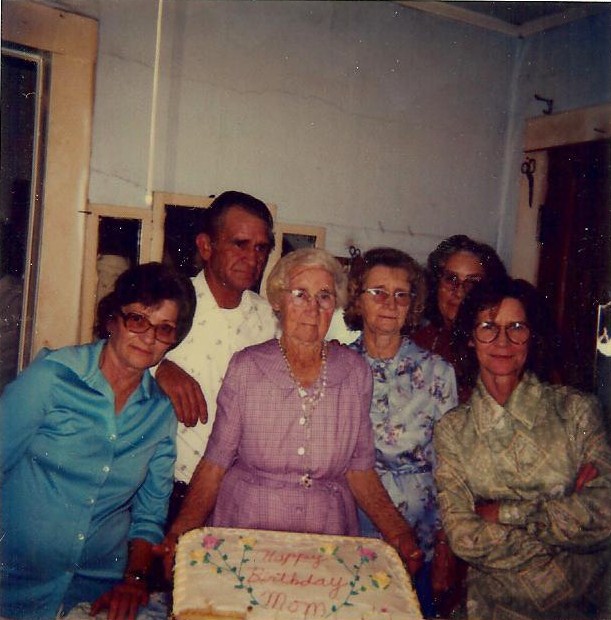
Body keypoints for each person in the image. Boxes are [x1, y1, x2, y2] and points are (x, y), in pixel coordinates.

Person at [159, 248, 424, 579]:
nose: (313, 308)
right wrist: (179, 533)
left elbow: (361, 470)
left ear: (335, 305)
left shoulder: (355, 372)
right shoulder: (247, 366)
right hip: (250, 529)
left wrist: (399, 533)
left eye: (324, 296)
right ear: (277, 302)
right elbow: (216, 462)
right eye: (300, 294)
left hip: (327, 535)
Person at [0, 262, 196, 620]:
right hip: (13, 583)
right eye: (137, 320)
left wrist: (135, 580)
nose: (149, 338)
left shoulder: (159, 413)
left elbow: (149, 514)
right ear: (112, 320)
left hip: (98, 594)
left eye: (164, 328)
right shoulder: (52, 379)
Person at [433, 277, 611, 620]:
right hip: (493, 608)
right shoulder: (452, 430)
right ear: (470, 338)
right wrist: (565, 535)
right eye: (488, 327)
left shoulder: (575, 411)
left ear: (532, 336)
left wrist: (504, 513)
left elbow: (604, 512)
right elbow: (463, 535)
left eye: (516, 327)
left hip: (582, 608)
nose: (503, 341)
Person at [343, 247, 458, 618]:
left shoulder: (438, 372)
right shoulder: (338, 366)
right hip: (348, 530)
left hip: (418, 537)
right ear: (358, 299)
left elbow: (451, 469)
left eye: (401, 294)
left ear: (413, 304)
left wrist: (445, 548)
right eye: (378, 292)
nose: (389, 304)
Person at [154, 191, 278, 515]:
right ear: (206, 246)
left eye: (261, 248)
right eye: (240, 244)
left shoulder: (271, 320)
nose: (252, 257)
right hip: (169, 490)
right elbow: (113, 350)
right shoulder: (170, 302)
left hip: (240, 497)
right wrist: (159, 367)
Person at [411, 234, 507, 402]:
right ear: (436, 283)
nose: (460, 291)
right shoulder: (419, 342)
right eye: (451, 279)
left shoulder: (499, 346)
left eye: (473, 283)